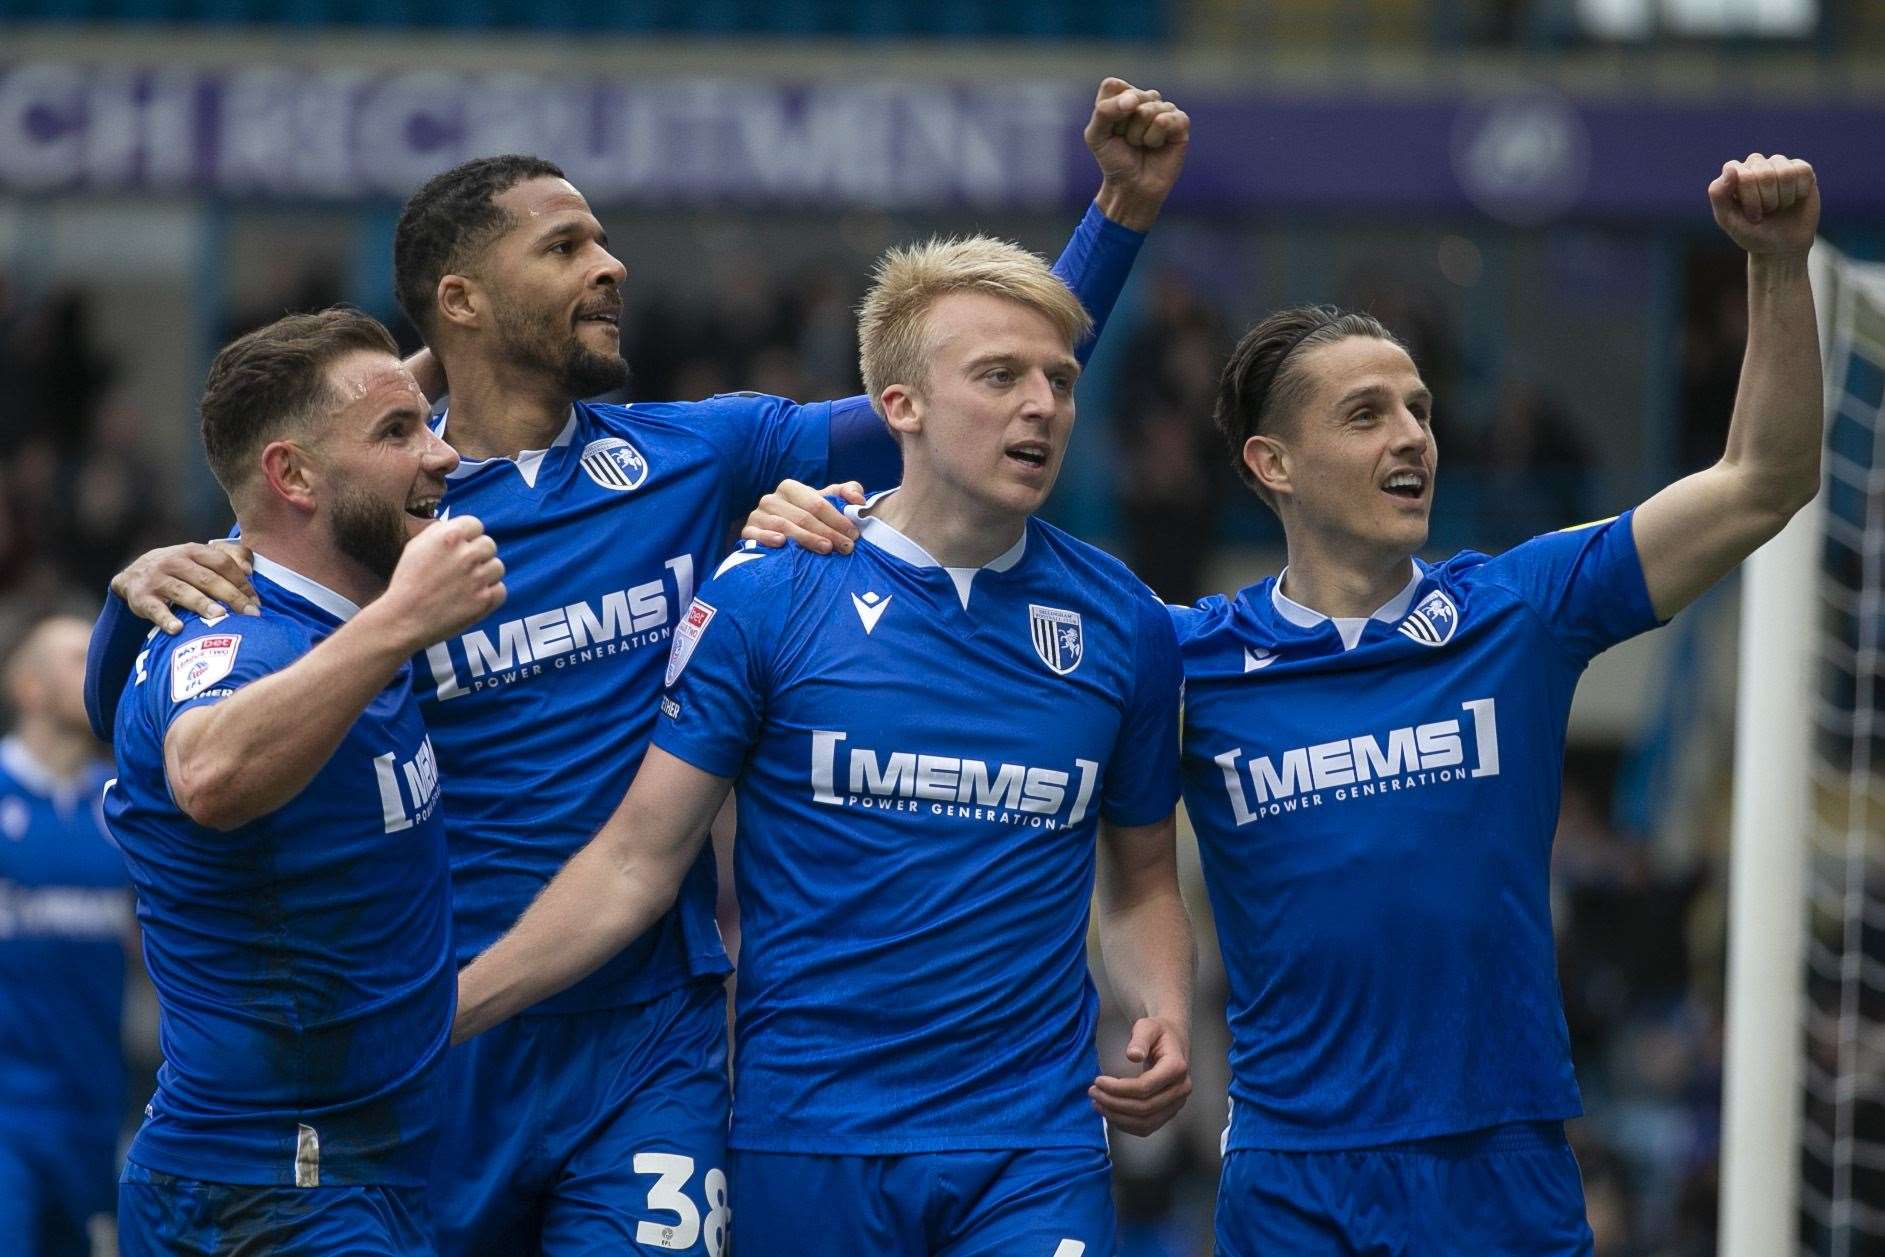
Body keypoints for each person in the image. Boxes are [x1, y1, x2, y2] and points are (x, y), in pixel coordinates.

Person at [87, 78, 1191, 1255]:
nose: (610, 265)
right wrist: (133, 596)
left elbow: (968, 377)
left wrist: (1116, 216)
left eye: (603, 239)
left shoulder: (695, 455)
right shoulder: (384, 519)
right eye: (565, 246)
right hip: (442, 1029)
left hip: (645, 1028)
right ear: (460, 300)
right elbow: (186, 717)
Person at [453, 235, 1197, 1256]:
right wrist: (439, 1016)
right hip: (804, 1139)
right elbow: (635, 862)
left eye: (1060, 381)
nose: (1042, 407)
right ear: (900, 407)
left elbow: (1143, 876)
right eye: (999, 376)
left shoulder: (1126, 624)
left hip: (1032, 1147)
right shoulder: (767, 594)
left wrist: (1159, 1007)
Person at [1177, 154, 1821, 1253]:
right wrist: (825, 521)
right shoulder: (1185, 660)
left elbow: (1765, 476)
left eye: (1419, 410)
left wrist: (1773, 265)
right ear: (1271, 461)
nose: (1412, 437)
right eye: (1366, 414)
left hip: (1503, 1168)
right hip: (1293, 1178)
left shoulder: (1518, 608)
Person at [105, 308, 505, 1255]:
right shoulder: (236, 633)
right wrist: (403, 620)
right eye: (400, 435)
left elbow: (338, 425)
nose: (441, 457)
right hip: (272, 1190)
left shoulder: (338, 613)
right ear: (292, 476)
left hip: (351, 1176)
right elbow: (207, 771)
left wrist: (470, 341)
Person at [0, 611, 132, 1256]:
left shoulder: (124, 806)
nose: (101, 666)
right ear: (28, 687)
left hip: (95, 1108)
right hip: (8, 1111)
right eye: (80, 657)